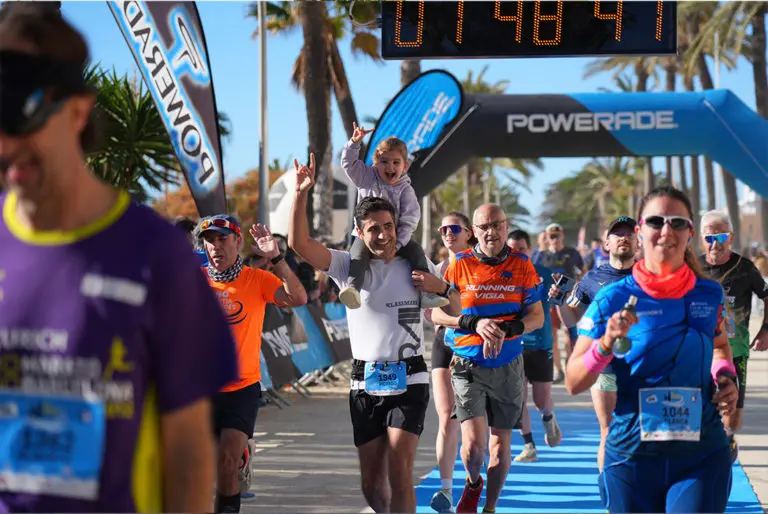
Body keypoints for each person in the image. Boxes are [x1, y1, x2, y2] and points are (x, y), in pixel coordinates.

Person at [0, 3, 238, 511]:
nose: (6, 141)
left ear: (78, 111)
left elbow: (189, 452)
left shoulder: (157, 255)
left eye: (21, 108)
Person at [288, 153, 460, 513]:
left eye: (388, 226)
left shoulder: (415, 264)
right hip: (364, 380)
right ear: (360, 232)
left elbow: (455, 309)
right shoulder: (346, 266)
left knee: (401, 472)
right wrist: (301, 193)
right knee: (370, 483)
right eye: (374, 229)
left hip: (410, 376)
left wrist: (441, 288)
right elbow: (299, 245)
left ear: (397, 225)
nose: (383, 235)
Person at [566, 186, 739, 513]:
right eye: (656, 221)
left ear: (690, 233)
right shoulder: (612, 298)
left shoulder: (708, 294)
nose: (665, 231)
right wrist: (605, 344)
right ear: (640, 231)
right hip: (632, 458)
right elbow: (574, 380)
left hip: (700, 455)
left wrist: (726, 376)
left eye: (677, 222)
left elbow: (719, 347)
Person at [431, 204, 545, 514]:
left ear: (507, 227)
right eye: (483, 226)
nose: (490, 231)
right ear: (474, 232)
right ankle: (472, 482)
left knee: (499, 446)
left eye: (496, 225)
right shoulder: (458, 265)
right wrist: (473, 323)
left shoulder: (523, 265)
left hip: (508, 367)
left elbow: (537, 316)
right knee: (473, 447)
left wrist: (510, 328)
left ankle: (490, 508)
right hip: (468, 365)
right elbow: (437, 313)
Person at [199, 215, 307, 513]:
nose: (215, 246)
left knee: (227, 463)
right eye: (210, 240)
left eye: (222, 239)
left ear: (238, 242)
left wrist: (276, 257)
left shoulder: (256, 279)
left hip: (241, 388)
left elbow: (298, 297)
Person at [550, 216, 638, 471]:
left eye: (630, 234)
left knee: (643, 435)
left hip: (642, 368)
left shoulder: (648, 275)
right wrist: (559, 302)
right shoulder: (590, 280)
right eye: (617, 234)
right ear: (606, 245)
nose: (624, 238)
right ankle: (610, 493)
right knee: (608, 432)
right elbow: (571, 319)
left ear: (637, 242)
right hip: (605, 367)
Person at [338, 122, 446, 310]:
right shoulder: (366, 177)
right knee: (356, 255)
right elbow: (348, 164)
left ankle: (426, 293)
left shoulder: (406, 190)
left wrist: (397, 245)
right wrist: (354, 143)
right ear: (375, 163)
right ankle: (352, 289)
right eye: (384, 162)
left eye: (396, 162)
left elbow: (410, 220)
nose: (390, 167)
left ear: (405, 166)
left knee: (417, 253)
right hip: (367, 237)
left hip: (395, 239)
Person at [697, 210, 768, 461]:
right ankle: (710, 450)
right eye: (709, 236)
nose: (715, 242)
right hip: (701, 351)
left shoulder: (745, 268)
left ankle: (726, 442)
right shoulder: (692, 268)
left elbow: (766, 295)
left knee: (733, 413)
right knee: (702, 406)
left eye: (721, 235)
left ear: (732, 237)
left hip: (735, 351)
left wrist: (765, 329)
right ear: (701, 238)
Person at [425, 212, 475, 513]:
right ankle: (445, 489)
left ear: (468, 232)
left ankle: (472, 482)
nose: (447, 233)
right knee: (446, 417)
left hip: (470, 345)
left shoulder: (478, 266)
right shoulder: (440, 268)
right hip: (444, 342)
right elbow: (429, 312)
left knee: (470, 420)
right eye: (443, 229)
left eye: (454, 228)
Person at [506, 229, 562, 463]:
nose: (517, 253)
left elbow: (558, 301)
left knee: (540, 400)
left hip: (540, 344)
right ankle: (529, 445)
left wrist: (559, 294)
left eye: (521, 249)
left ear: (529, 250)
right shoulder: (502, 275)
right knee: (517, 399)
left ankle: (548, 417)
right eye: (512, 249)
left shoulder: (544, 274)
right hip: (513, 345)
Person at [534, 223, 584, 382]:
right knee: (552, 335)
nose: (554, 239)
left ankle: (570, 368)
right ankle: (558, 370)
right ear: (546, 238)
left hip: (569, 297)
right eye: (551, 236)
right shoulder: (540, 256)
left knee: (569, 333)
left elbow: (583, 272)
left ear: (562, 235)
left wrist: (579, 289)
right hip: (550, 299)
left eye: (557, 235)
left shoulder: (572, 253)